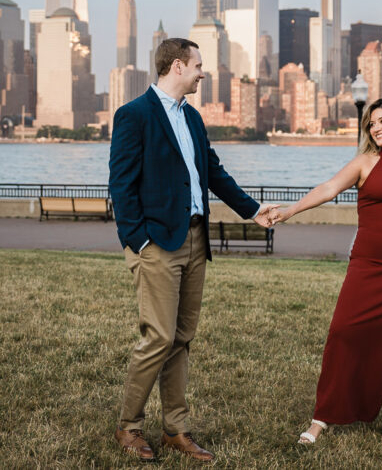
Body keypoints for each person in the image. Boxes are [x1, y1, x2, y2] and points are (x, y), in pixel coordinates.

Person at [109, 38, 276, 463]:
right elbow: (122, 186)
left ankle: (175, 430)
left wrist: (252, 210)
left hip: (195, 240)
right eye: (199, 65)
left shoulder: (194, 119)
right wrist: (138, 240)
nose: (204, 73)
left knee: (181, 339)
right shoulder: (133, 115)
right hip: (157, 244)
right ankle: (128, 427)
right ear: (178, 66)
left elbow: (214, 173)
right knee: (159, 336)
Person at [270, 97, 382, 445]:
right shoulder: (364, 163)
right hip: (368, 263)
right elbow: (328, 189)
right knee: (343, 331)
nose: (376, 128)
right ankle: (322, 415)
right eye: (371, 123)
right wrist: (290, 210)